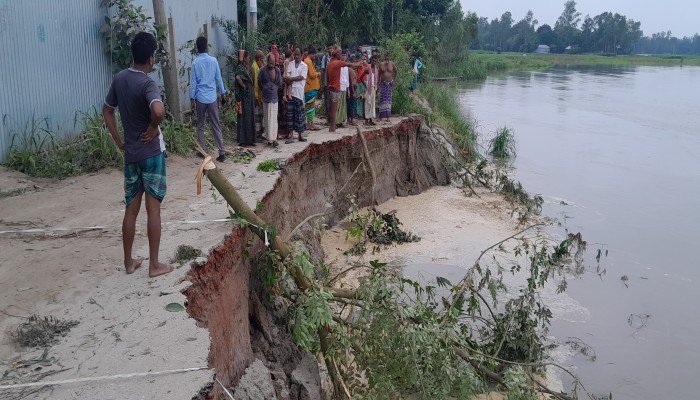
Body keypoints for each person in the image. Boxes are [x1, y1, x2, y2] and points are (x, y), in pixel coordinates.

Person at [102, 32, 173, 278]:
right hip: (151, 155)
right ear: (151, 58)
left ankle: (129, 262)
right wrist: (153, 128)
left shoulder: (119, 79)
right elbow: (158, 110)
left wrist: (119, 141)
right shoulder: (147, 84)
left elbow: (107, 111)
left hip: (131, 155)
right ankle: (154, 265)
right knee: (153, 210)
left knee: (130, 210)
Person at [189, 36, 228, 162]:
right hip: (212, 98)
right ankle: (222, 152)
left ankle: (203, 151)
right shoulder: (213, 60)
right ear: (206, 46)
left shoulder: (195, 63)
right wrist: (222, 92)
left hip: (200, 98)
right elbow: (218, 78)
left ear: (197, 48)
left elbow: (193, 82)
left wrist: (192, 99)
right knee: (215, 125)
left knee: (200, 125)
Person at [326, 47, 359, 132]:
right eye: (340, 54)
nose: (341, 55)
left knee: (332, 109)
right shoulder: (337, 63)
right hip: (335, 88)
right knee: (334, 110)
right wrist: (358, 65)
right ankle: (332, 127)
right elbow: (350, 65)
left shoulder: (330, 63)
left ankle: (332, 126)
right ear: (336, 54)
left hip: (330, 88)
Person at [284, 47, 308, 144]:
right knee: (290, 115)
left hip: (299, 93)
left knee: (299, 115)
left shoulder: (304, 66)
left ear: (302, 55)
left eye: (298, 54)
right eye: (295, 54)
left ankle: (300, 135)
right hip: (290, 93)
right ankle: (291, 136)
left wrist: (291, 79)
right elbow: (286, 77)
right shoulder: (290, 64)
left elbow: (301, 77)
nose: (296, 56)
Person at [258, 52, 283, 147]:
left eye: (273, 63)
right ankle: (269, 138)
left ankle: (274, 138)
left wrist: (274, 88)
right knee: (267, 118)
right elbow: (259, 82)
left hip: (274, 97)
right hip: (266, 97)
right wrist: (265, 88)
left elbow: (280, 82)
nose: (271, 64)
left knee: (273, 118)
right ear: (267, 61)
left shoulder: (277, 70)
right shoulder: (262, 70)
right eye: (269, 63)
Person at [234, 50, 256, 146]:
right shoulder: (240, 68)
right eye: (247, 57)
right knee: (244, 116)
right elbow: (238, 77)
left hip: (249, 95)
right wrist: (243, 86)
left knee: (250, 115)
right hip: (244, 95)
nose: (249, 59)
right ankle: (244, 140)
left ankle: (250, 139)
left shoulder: (247, 68)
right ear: (244, 58)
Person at [304, 47, 321, 130]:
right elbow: (311, 75)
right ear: (312, 54)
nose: (315, 56)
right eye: (314, 55)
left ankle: (309, 123)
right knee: (310, 106)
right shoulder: (308, 62)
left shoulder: (307, 61)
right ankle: (310, 124)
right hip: (310, 87)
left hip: (310, 87)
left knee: (309, 106)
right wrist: (318, 74)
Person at [378, 52, 397, 123]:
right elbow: (379, 74)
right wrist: (377, 83)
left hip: (389, 84)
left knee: (388, 100)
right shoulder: (381, 64)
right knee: (382, 99)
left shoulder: (392, 64)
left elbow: (396, 71)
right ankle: (381, 117)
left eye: (388, 56)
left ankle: (388, 117)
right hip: (383, 83)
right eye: (386, 56)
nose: (387, 57)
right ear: (384, 56)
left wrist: (394, 80)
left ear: (390, 57)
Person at [253, 50, 266, 143]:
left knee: (260, 116)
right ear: (259, 59)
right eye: (262, 59)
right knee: (257, 116)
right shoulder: (254, 67)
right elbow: (255, 84)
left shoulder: (258, 67)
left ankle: (260, 134)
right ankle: (257, 135)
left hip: (259, 95)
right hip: (256, 96)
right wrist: (256, 97)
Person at [364, 56, 379, 125]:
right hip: (368, 88)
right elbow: (362, 77)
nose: (374, 62)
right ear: (371, 61)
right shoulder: (368, 68)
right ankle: (366, 119)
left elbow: (376, 80)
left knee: (372, 104)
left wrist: (376, 88)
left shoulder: (376, 70)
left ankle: (371, 119)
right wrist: (365, 85)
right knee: (368, 103)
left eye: (375, 61)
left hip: (373, 88)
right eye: (373, 61)